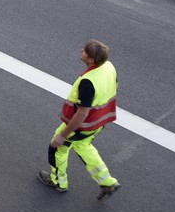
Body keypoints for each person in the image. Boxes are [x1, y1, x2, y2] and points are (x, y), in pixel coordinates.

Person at [38, 40, 121, 200]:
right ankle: (107, 181)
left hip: (82, 125)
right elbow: (115, 85)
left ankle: (58, 182)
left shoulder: (88, 82)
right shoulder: (108, 67)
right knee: (83, 146)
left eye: (85, 51)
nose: (81, 50)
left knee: (57, 148)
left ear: (91, 60)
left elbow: (82, 113)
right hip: (98, 122)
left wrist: (63, 135)